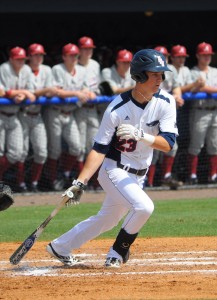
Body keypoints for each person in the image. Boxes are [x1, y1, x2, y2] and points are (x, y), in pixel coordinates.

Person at [46, 49, 178, 268]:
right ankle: (117, 252)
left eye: (161, 74)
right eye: (154, 73)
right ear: (139, 75)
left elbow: (168, 143)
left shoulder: (166, 101)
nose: (160, 79)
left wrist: (142, 135)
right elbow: (99, 149)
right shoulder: (116, 108)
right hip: (114, 169)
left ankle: (59, 246)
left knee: (108, 218)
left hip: (139, 173)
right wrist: (80, 182)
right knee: (144, 207)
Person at [45, 43, 95, 190]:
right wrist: (76, 93)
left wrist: (86, 91)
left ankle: (65, 174)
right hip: (55, 111)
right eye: (71, 55)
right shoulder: (57, 69)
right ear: (64, 56)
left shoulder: (81, 70)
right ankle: (52, 180)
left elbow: (86, 87)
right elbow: (57, 92)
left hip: (70, 112)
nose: (74, 58)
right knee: (55, 149)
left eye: (75, 55)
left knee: (76, 147)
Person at [16, 43, 58, 192]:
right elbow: (28, 92)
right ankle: (20, 185)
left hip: (37, 114)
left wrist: (42, 91)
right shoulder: (24, 69)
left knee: (41, 152)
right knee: (21, 152)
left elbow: (50, 92)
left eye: (41, 54)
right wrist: (44, 90)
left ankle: (33, 183)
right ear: (30, 56)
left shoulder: (46, 70)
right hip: (23, 114)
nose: (39, 57)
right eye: (36, 55)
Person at [147, 46, 183, 188]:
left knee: (171, 145)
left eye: (165, 56)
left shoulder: (171, 70)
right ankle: (147, 181)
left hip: (166, 113)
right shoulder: (147, 70)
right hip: (151, 112)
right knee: (151, 148)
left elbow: (176, 87)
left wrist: (177, 95)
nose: (164, 58)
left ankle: (165, 177)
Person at [0, 46, 36, 190]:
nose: (21, 61)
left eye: (23, 59)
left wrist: (22, 94)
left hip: (14, 115)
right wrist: (21, 92)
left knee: (16, 152)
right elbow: (1, 92)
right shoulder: (4, 68)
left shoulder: (26, 70)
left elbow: (32, 92)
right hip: (1, 114)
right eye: (18, 59)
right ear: (11, 59)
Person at [188, 42, 217, 184]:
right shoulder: (192, 72)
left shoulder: (215, 71)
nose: (207, 57)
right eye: (204, 55)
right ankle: (192, 176)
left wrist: (205, 88)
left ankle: (214, 175)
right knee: (196, 144)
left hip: (214, 111)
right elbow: (195, 89)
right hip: (199, 111)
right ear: (198, 55)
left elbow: (204, 88)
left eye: (208, 55)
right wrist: (206, 88)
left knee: (214, 144)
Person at [75, 36, 101, 189]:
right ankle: (80, 183)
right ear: (79, 50)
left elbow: (95, 86)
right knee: (79, 148)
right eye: (85, 48)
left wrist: (94, 93)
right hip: (78, 109)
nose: (88, 51)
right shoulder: (74, 65)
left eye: (90, 48)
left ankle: (94, 180)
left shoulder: (95, 65)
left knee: (95, 146)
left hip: (92, 109)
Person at [98, 49, 135, 121]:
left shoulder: (132, 72)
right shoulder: (107, 72)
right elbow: (115, 90)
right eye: (124, 62)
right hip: (107, 111)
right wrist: (136, 87)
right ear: (117, 62)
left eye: (128, 62)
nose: (127, 65)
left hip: (124, 112)